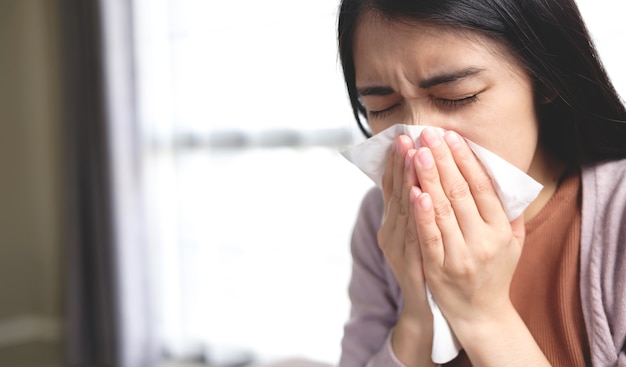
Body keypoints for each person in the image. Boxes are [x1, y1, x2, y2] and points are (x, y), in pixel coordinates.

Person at [336, 0, 626, 366]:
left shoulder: (617, 216)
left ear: (545, 76)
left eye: (456, 96)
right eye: (382, 106)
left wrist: (483, 315)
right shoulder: (383, 220)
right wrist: (417, 314)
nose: (420, 140)